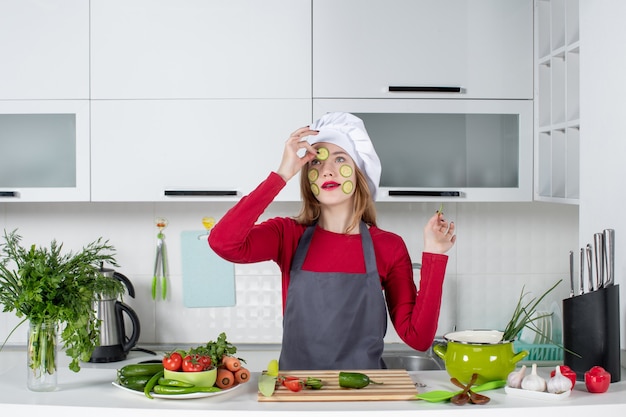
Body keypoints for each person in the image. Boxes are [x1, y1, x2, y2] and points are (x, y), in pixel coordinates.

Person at [209, 112, 456, 370]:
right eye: (316, 162)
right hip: (299, 394)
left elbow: (418, 338)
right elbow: (222, 242)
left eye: (340, 159)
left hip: (366, 395)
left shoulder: (388, 246)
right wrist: (282, 174)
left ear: (359, 174)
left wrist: (435, 254)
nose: (326, 171)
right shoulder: (287, 234)